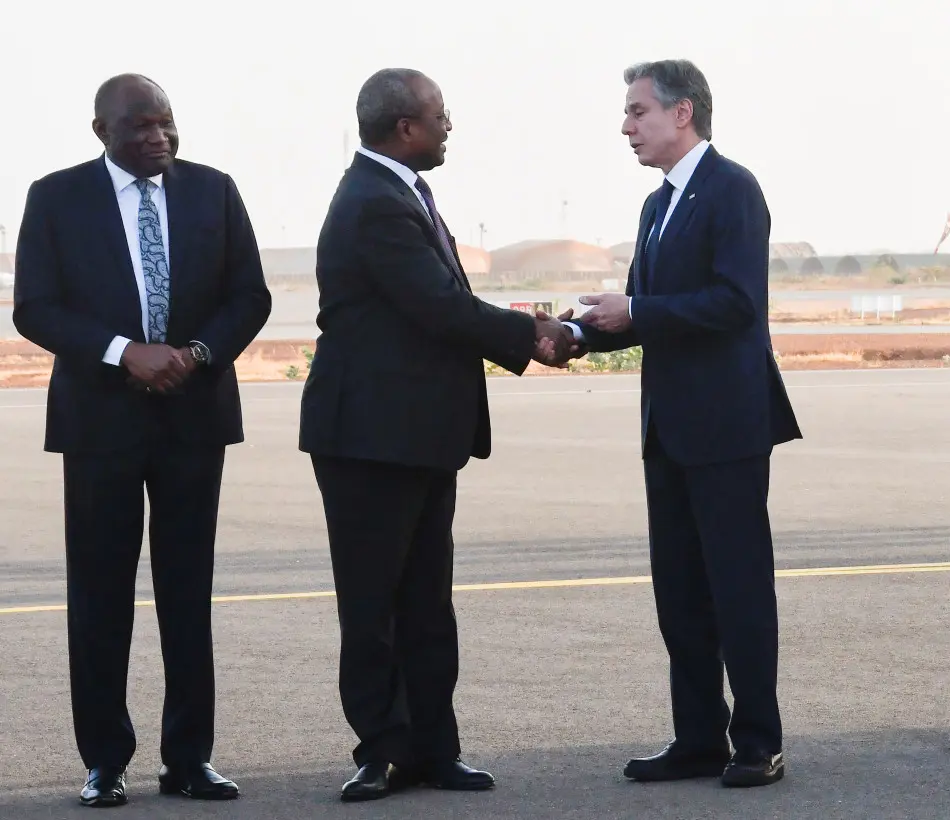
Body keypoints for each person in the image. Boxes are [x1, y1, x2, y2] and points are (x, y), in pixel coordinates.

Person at [298, 67, 574, 803]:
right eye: (440, 116)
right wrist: (533, 335)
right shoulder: (375, 202)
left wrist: (528, 331)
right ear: (404, 128)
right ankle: (384, 749)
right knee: (375, 603)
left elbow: (444, 302)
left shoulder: (399, 193)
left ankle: (433, 746)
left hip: (416, 435)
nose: (449, 126)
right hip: (367, 438)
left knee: (425, 600)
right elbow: (438, 305)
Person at [12, 74, 271, 806]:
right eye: (141, 127)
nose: (158, 137)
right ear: (102, 131)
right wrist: (123, 351)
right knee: (99, 596)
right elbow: (35, 306)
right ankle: (104, 760)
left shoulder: (214, 191)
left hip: (194, 418)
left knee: (187, 593)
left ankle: (189, 758)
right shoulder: (56, 197)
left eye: (168, 124)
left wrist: (194, 355)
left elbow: (250, 295)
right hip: (101, 424)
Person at [558, 58, 801, 788]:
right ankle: (698, 737)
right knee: (682, 595)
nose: (627, 127)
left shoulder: (731, 190)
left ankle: (758, 740)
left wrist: (636, 311)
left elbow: (734, 304)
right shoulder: (657, 204)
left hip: (726, 426)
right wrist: (571, 336)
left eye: (638, 112)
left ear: (683, 113)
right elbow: (639, 313)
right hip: (667, 427)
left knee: (737, 588)